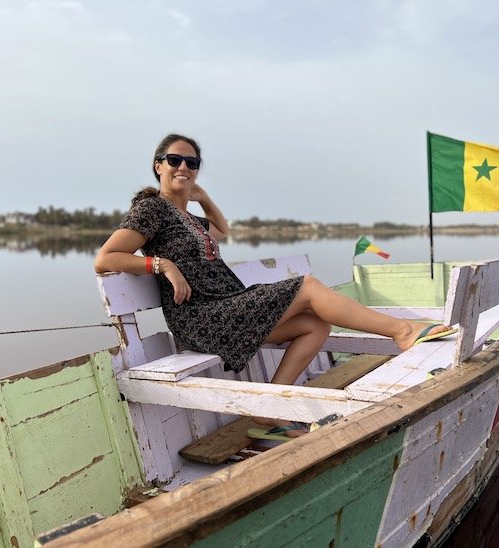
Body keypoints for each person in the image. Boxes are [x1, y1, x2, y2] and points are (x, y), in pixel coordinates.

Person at [94, 133, 454, 437]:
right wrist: (161, 264)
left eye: (192, 163)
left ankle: (268, 405)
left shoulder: (189, 217)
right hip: (202, 316)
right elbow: (106, 258)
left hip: (228, 305)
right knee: (309, 287)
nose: (183, 168)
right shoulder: (152, 210)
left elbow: (223, 230)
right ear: (158, 165)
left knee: (316, 324)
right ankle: (402, 331)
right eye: (174, 160)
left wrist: (202, 198)